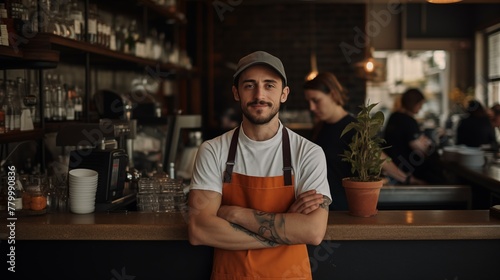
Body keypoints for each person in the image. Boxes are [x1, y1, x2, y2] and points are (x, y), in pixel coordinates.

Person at [188, 51, 332, 280]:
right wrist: (284, 230)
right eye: (249, 85)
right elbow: (200, 230)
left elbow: (312, 232)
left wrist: (233, 213)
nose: (259, 95)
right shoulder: (213, 150)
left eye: (269, 85)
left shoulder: (308, 153)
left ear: (284, 94)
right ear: (236, 92)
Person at [303, 72, 424, 211]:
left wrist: (407, 179)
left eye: (316, 100)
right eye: (309, 102)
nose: (311, 108)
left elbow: (378, 157)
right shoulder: (321, 127)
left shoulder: (353, 127)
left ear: (333, 94)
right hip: (323, 207)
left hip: (342, 207)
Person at [383, 88, 448, 184]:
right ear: (414, 103)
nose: (421, 108)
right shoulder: (408, 121)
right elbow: (418, 148)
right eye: (420, 105)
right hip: (406, 170)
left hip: (393, 165)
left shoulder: (394, 116)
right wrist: (428, 145)